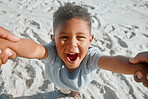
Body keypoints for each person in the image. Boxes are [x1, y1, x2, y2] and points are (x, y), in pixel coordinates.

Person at [0, 3, 147, 99]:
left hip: (80, 83)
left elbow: (113, 62)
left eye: (80, 37)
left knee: (76, 89)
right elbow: (34, 49)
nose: (72, 44)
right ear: (53, 39)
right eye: (64, 37)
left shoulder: (91, 56)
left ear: (90, 40)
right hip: (59, 81)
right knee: (63, 89)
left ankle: (75, 92)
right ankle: (66, 91)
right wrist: (8, 44)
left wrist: (139, 67)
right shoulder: (52, 52)